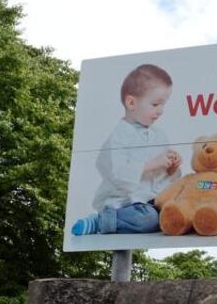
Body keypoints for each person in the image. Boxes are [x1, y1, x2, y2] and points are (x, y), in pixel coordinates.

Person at [71, 64, 181, 235]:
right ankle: (101, 221)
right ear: (131, 103)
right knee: (147, 219)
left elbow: (161, 178)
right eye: (155, 104)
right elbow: (116, 175)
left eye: (163, 104)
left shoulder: (159, 134)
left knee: (172, 210)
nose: (161, 111)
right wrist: (151, 164)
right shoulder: (118, 137)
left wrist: (171, 169)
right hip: (124, 204)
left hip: (152, 200)